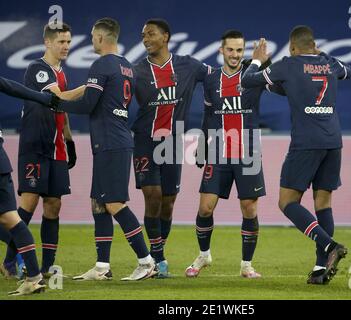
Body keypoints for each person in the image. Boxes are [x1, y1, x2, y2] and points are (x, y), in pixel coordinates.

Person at [241, 25, 351, 284]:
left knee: (287, 203)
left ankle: (329, 245)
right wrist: (323, 57)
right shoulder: (329, 63)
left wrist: (258, 60)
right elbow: (350, 71)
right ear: (313, 45)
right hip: (333, 142)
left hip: (306, 143)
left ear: (292, 48)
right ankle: (319, 269)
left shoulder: (288, 64)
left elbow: (248, 79)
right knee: (323, 203)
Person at [51, 18, 157, 281]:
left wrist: (56, 104)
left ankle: (146, 261)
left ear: (100, 37)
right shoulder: (126, 67)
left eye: (91, 36)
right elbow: (94, 94)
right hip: (113, 140)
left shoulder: (100, 64)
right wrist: (64, 97)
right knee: (99, 204)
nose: (90, 40)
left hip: (111, 142)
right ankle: (101, 267)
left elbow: (89, 103)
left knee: (113, 203)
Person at [184, 30, 275, 279]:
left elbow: (277, 81)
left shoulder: (254, 76)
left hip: (248, 152)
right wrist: (202, 145)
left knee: (249, 209)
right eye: (231, 50)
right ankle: (204, 255)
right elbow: (208, 115)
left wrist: (264, 60)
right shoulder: (212, 79)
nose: (235, 55)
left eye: (239, 50)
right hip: (218, 152)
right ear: (221, 51)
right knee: (205, 207)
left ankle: (246, 265)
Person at [3, 22, 84, 278]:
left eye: (69, 42)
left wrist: (69, 142)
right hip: (35, 146)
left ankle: (48, 267)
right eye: (61, 42)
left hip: (56, 148)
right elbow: (58, 98)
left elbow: (62, 111)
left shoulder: (62, 72)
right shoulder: (38, 69)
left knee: (53, 205)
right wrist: (91, 87)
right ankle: (9, 262)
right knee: (28, 202)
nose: (66, 47)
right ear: (47, 42)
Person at [131, 19, 211, 277]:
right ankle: (158, 259)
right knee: (152, 197)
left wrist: (254, 67)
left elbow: (219, 78)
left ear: (165, 36)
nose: (145, 39)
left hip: (173, 142)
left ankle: (156, 255)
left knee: (167, 202)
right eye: (143, 35)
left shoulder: (187, 65)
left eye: (151, 34)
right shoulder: (136, 71)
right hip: (145, 140)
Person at [0, 75, 58, 295]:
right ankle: (33, 277)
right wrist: (42, 98)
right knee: (11, 219)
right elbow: (12, 86)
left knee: (11, 219)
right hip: (1, 161)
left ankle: (26, 270)